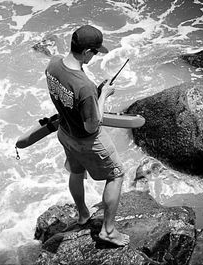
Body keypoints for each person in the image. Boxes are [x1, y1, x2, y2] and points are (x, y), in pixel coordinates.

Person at [45, 25, 130, 246]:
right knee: (117, 175)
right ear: (86, 52)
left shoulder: (52, 64)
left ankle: (83, 214)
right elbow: (93, 126)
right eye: (94, 52)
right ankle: (108, 231)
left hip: (65, 133)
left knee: (76, 170)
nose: (94, 56)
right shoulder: (85, 88)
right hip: (86, 141)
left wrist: (94, 94)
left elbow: (68, 94)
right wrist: (103, 96)